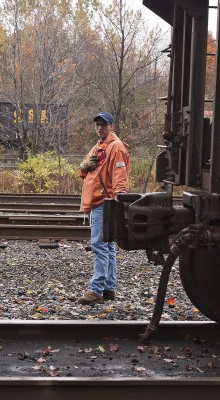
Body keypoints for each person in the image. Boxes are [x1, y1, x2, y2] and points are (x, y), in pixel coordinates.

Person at [77, 111, 130, 305]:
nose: (100, 128)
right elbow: (82, 172)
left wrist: (117, 204)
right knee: (106, 247)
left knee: (100, 246)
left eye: (104, 125)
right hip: (97, 203)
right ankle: (108, 288)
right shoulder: (98, 147)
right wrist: (85, 165)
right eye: (97, 125)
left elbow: (120, 180)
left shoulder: (116, 147)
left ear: (111, 127)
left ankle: (96, 289)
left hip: (104, 204)